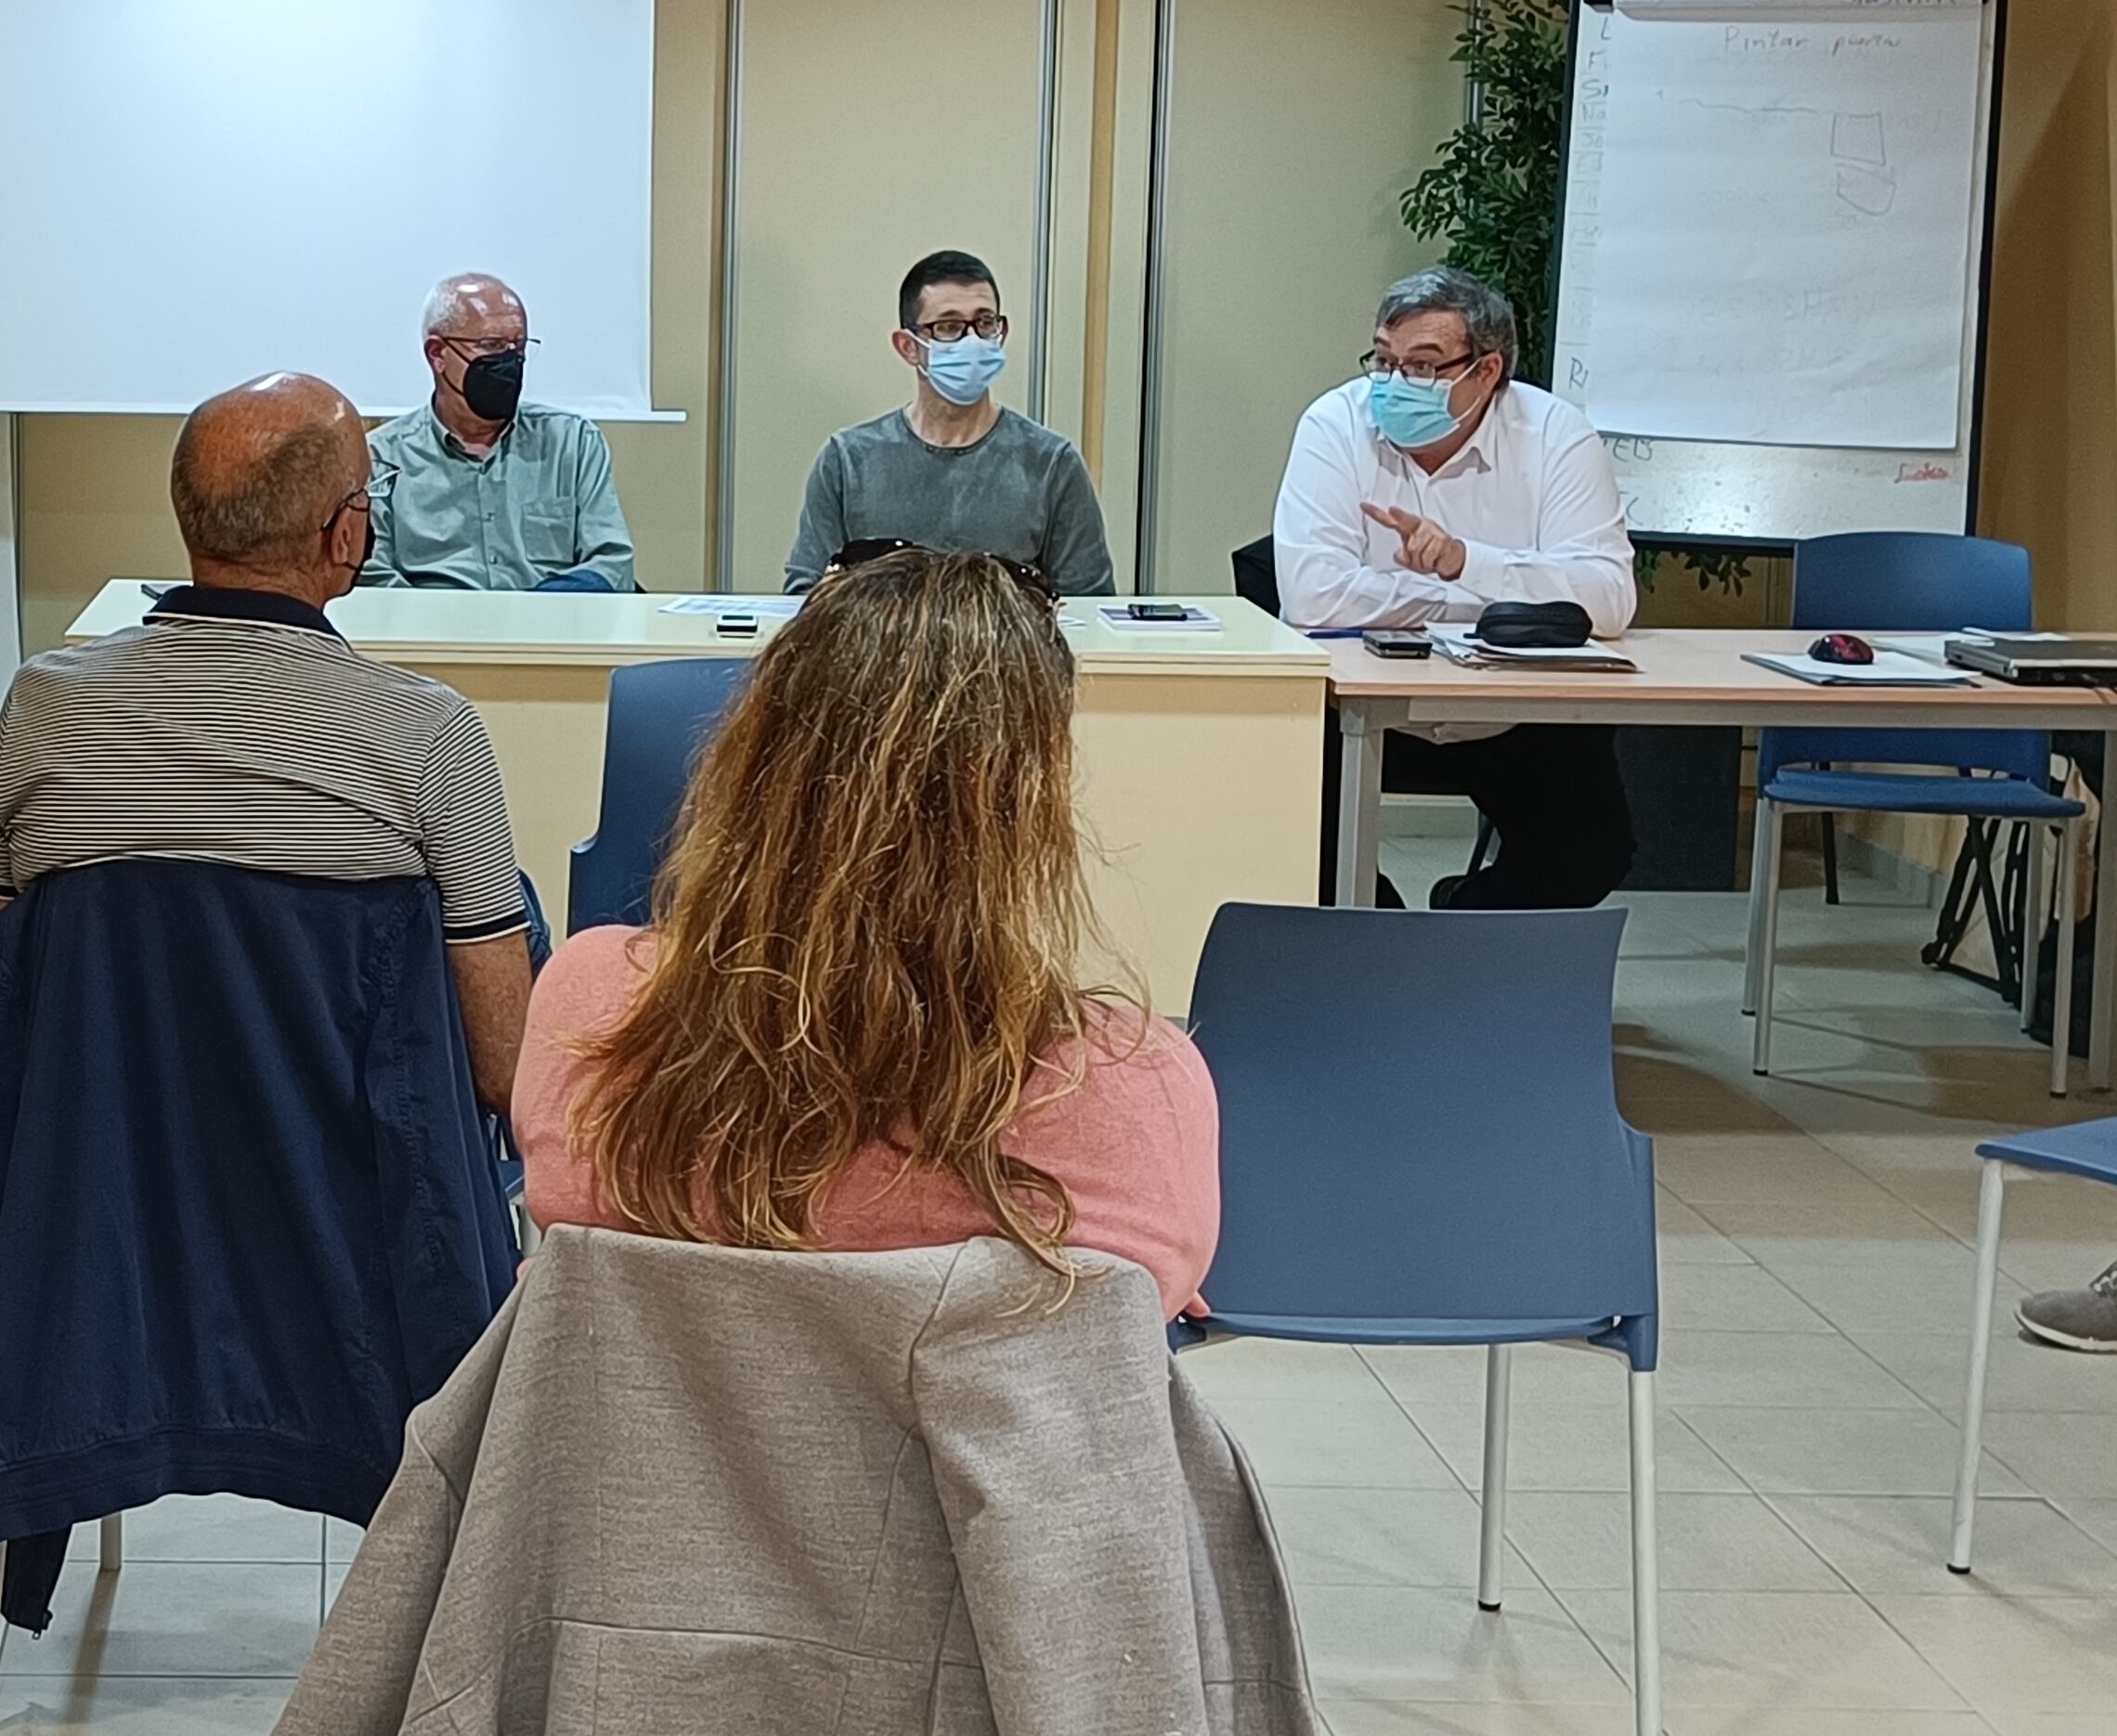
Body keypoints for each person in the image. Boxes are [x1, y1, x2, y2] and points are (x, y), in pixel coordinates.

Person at [513, 545, 1217, 1303]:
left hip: (640, 1428)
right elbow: (1133, 1323)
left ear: (753, 765)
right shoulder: (1136, 1098)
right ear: (1031, 819)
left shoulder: (584, 1018)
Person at [0, 372, 536, 1103]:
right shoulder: (428, 733)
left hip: (94, 1179)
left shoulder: (43, 705)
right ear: (344, 535)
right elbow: (505, 1074)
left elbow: (2, 1003)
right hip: (345, 1200)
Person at [1273, 266, 1639, 909]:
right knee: (1290, 830)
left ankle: (1462, 929)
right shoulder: (1334, 424)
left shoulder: (1555, 434)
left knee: (1593, 847)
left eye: (1422, 365)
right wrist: (1484, 602)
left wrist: (1466, 560)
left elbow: (1608, 598)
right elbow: (1312, 596)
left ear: (1487, 371)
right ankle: (1384, 950)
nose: (1392, 384)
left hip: (1519, 713)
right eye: (1382, 360)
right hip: (1358, 712)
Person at [782, 248, 1116, 595]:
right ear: (908, 346)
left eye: (985, 322)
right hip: (882, 650)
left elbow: (1088, 605)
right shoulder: (848, 461)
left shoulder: (1051, 463)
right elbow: (806, 597)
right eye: (949, 327)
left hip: (1007, 650)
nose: (972, 340)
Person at [362, 272, 634, 593]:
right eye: (491, 346)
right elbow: (372, 577)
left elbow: (611, 564)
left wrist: (528, 618)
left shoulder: (572, 443)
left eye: (517, 347)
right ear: (437, 354)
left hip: (549, 633)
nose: (509, 361)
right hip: (430, 637)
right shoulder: (380, 458)